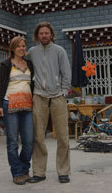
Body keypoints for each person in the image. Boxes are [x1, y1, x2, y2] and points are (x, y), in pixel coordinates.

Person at [26, 22, 72, 184]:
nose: (44, 35)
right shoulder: (32, 52)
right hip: (39, 96)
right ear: (37, 36)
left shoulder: (59, 51)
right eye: (41, 33)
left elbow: (66, 72)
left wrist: (64, 91)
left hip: (58, 96)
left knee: (63, 136)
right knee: (38, 135)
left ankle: (63, 171)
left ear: (51, 35)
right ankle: (39, 172)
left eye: (47, 33)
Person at [0, 36, 34, 185]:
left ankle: (24, 168)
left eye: (24, 46)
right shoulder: (6, 64)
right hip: (9, 106)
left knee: (29, 141)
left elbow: (33, 84)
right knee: (12, 142)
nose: (22, 48)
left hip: (28, 107)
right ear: (12, 48)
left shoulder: (29, 64)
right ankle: (17, 173)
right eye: (19, 46)